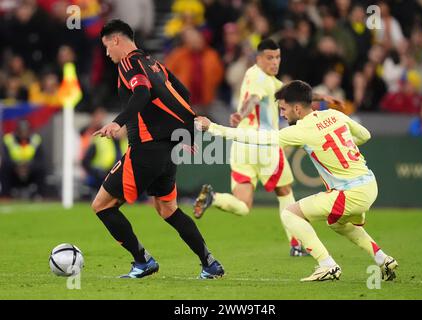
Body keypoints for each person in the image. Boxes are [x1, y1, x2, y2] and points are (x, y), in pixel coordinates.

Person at [195, 80, 398, 282]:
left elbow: (256, 139)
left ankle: (327, 265)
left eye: (283, 109)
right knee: (337, 224)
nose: (282, 114)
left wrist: (212, 127)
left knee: (289, 214)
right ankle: (383, 259)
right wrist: (342, 147)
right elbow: (365, 135)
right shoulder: (334, 114)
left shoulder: (300, 130)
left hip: (350, 192)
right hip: (369, 184)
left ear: (297, 108)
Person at [93, 19, 224, 279]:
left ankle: (142, 261)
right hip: (166, 149)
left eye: (107, 47)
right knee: (168, 209)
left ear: (117, 40)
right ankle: (210, 264)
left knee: (102, 206)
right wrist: (184, 135)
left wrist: (117, 122)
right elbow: (183, 93)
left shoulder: (129, 63)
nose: (108, 54)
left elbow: (141, 94)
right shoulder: (153, 63)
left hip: (145, 149)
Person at [194, 39, 342, 257]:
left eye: (278, 57)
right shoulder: (260, 79)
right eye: (270, 57)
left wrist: (322, 97)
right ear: (258, 59)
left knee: (243, 206)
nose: (275, 62)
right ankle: (296, 244)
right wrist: (241, 114)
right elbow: (254, 98)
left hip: (241, 146)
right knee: (284, 192)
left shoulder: (261, 78)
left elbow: (287, 92)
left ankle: (214, 198)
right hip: (263, 145)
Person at [0, 120, 45, 199]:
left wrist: (29, 166)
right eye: (21, 131)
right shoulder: (8, 139)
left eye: (26, 130)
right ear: (17, 131)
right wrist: (17, 166)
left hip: (30, 171)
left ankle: (40, 195)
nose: (24, 133)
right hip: (14, 171)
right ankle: (5, 195)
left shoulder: (36, 140)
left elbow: (40, 159)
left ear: (30, 131)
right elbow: (5, 158)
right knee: (4, 168)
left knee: (41, 169)